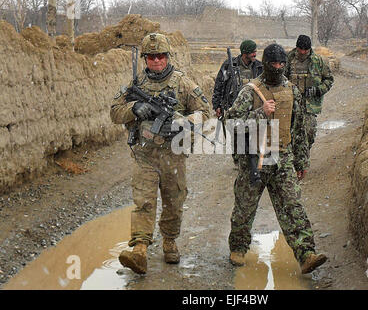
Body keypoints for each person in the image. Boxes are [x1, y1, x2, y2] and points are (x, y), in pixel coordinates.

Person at [110, 33, 211, 274]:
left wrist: (182, 122)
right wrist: (134, 108)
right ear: (145, 59)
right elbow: (115, 112)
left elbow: (205, 112)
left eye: (161, 56)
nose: (156, 61)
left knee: (174, 202)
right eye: (152, 57)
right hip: (144, 154)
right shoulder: (137, 84)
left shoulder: (182, 83)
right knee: (144, 201)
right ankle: (140, 250)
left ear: (167, 57)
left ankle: (169, 241)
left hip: (173, 155)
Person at [225, 43, 327, 274]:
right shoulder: (250, 91)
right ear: (266, 63)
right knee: (244, 207)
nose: (278, 67)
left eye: (282, 63)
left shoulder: (292, 91)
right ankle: (238, 248)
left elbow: (299, 129)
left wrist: (301, 161)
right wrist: (260, 113)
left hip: (283, 158)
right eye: (274, 64)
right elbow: (231, 125)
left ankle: (306, 253)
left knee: (293, 206)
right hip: (254, 159)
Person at [284, 35, 334, 178]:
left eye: (306, 50)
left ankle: (303, 156)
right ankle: (293, 162)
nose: (303, 53)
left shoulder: (318, 61)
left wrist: (318, 90)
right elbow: (280, 78)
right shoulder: (288, 59)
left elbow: (329, 80)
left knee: (309, 133)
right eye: (301, 50)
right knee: (290, 134)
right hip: (290, 104)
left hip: (309, 105)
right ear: (297, 48)